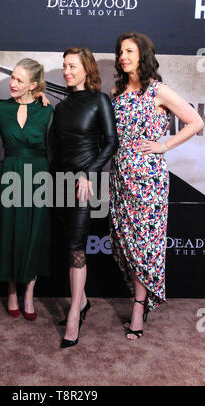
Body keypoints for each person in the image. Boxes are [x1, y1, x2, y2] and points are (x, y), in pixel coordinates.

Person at [109, 32, 204, 340]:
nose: (123, 56)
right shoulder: (117, 90)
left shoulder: (157, 90)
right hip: (120, 176)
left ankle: (139, 305)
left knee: (144, 245)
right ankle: (141, 299)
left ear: (143, 56)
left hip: (148, 180)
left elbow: (196, 122)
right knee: (126, 243)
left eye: (129, 51)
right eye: (121, 51)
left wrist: (165, 146)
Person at [52, 47, 118, 348]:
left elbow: (110, 143)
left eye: (72, 66)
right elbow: (56, 149)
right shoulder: (61, 107)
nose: (67, 71)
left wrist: (88, 173)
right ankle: (83, 301)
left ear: (87, 69)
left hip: (85, 184)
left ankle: (74, 316)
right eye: (64, 66)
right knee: (67, 245)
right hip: (59, 183)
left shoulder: (100, 100)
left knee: (77, 248)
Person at [0, 58, 53, 321]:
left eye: (20, 80)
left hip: (39, 174)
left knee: (35, 233)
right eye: (12, 78)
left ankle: (29, 291)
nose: (13, 83)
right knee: (8, 231)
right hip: (9, 172)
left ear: (34, 84)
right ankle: (11, 291)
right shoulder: (1, 108)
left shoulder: (47, 110)